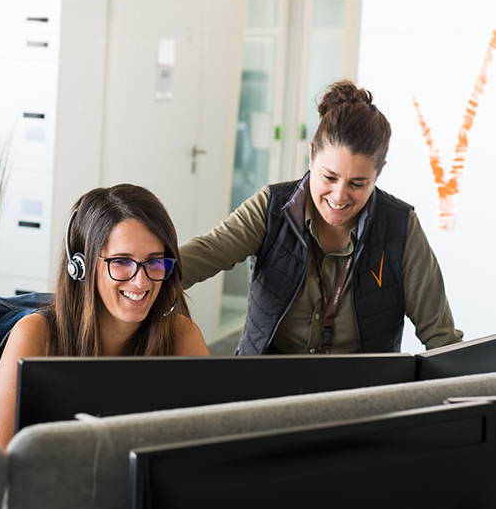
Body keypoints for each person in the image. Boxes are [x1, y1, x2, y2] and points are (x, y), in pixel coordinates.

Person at [180, 80, 463, 356]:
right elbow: (204, 254)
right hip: (265, 386)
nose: (339, 196)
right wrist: (142, 275)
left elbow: (441, 336)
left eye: (358, 183)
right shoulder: (271, 207)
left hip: (361, 394)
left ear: (379, 172)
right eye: (330, 177)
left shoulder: (401, 225)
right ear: (312, 154)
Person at [0, 183, 209, 449]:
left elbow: (213, 444)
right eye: (122, 261)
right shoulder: (36, 334)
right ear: (81, 266)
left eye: (154, 261)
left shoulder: (181, 335)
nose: (140, 282)